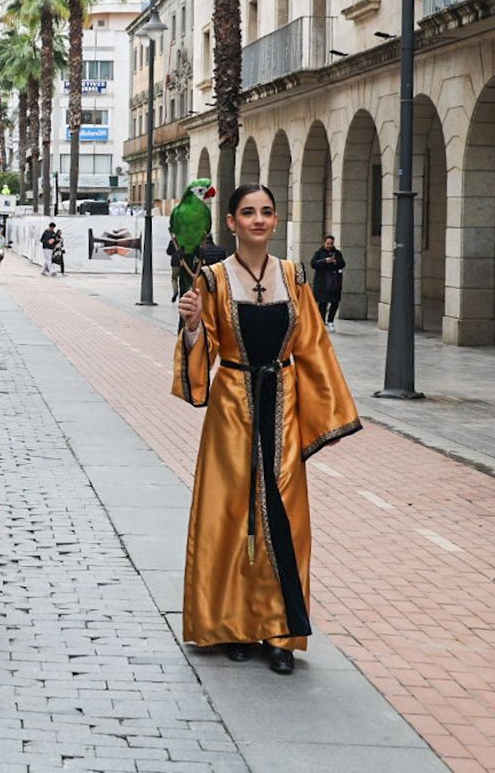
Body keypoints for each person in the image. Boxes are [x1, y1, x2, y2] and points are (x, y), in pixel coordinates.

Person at [174, 184, 361, 675]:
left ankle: (279, 631)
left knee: (286, 518)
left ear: (275, 221)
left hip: (281, 405)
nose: (258, 220)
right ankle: (232, 624)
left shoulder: (295, 276)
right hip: (232, 407)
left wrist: (327, 413)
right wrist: (192, 326)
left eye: (267, 212)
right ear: (231, 222)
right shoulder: (213, 280)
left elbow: (314, 346)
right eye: (248, 213)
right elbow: (206, 349)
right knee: (230, 514)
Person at [310, 236, 346, 326]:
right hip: (322, 282)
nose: (329, 245)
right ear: (324, 243)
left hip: (334, 282)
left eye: (331, 243)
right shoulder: (318, 253)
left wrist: (335, 262)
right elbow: (313, 264)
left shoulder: (337, 253)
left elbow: (342, 264)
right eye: (328, 243)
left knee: (335, 302)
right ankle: (322, 321)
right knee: (322, 303)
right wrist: (325, 261)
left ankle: (330, 320)